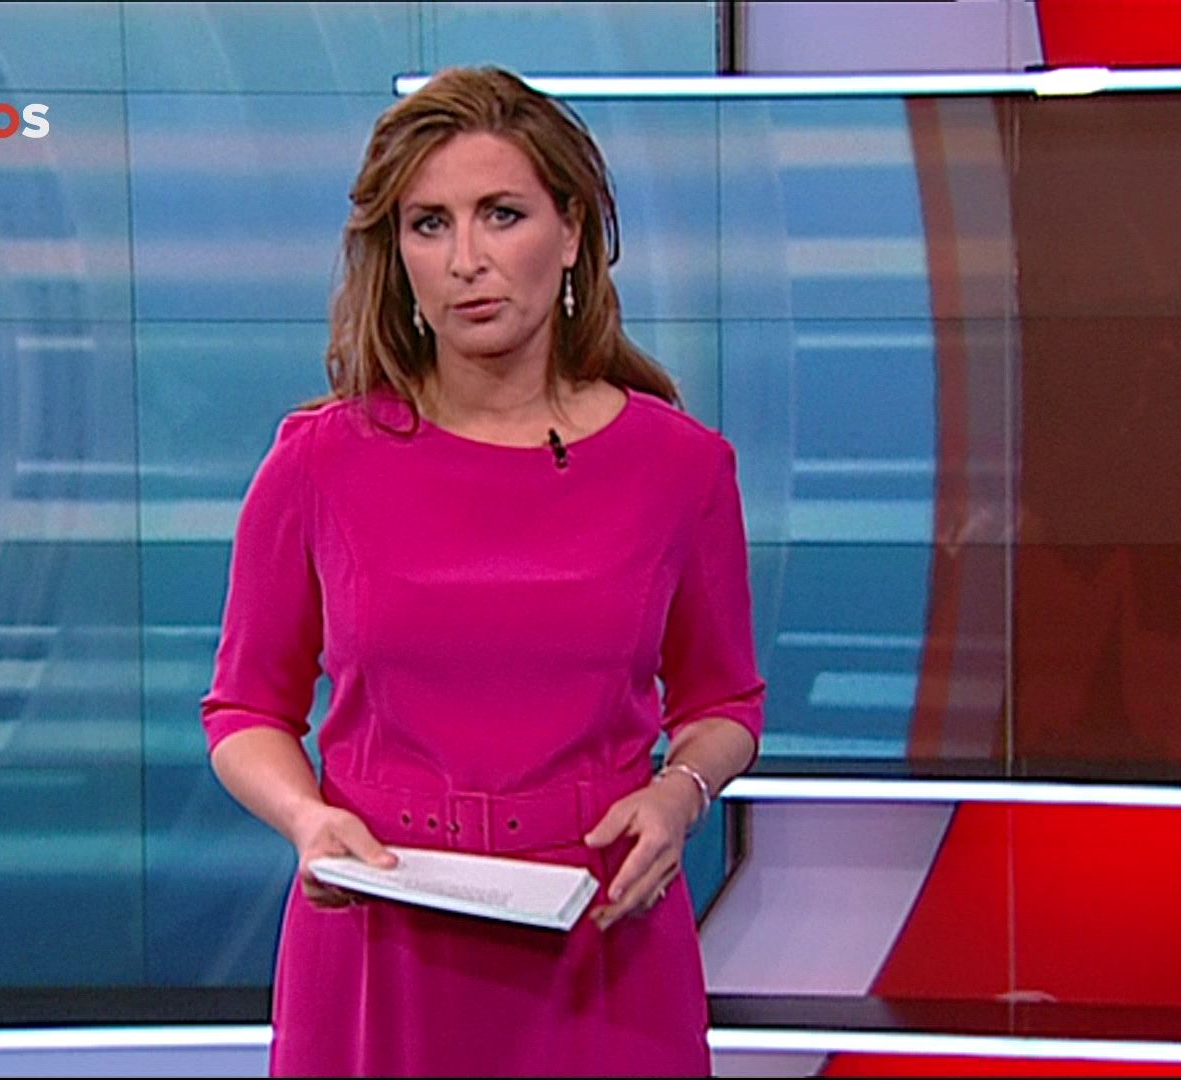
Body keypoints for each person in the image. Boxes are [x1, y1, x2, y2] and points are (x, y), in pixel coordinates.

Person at [199, 66, 765, 1077]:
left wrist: (680, 794)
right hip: (379, 930)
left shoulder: (681, 467)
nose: (467, 260)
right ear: (397, 252)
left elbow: (724, 702)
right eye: (431, 224)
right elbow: (244, 710)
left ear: (572, 232)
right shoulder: (318, 463)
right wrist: (308, 818)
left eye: (502, 215)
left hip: (602, 928)